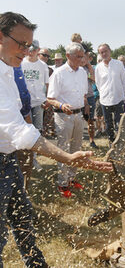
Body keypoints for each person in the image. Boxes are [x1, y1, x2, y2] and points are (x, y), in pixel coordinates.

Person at [0, 11, 113, 268]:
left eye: (29, 45)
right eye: (21, 44)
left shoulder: (8, 69)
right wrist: (66, 156)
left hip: (7, 160)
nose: (27, 51)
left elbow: (22, 119)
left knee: (23, 218)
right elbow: (19, 130)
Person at [47, 42, 91, 198]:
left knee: (76, 148)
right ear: (68, 55)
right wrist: (60, 104)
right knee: (64, 149)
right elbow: (50, 98)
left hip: (78, 115)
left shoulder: (82, 73)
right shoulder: (58, 74)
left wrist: (85, 105)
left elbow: (83, 94)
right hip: (63, 116)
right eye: (78, 56)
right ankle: (62, 183)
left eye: (82, 56)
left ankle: (72, 179)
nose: (81, 59)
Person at [95, 43, 125, 143]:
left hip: (118, 98)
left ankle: (120, 143)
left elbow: (124, 81)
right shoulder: (98, 67)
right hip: (105, 100)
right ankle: (111, 142)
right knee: (109, 124)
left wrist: (122, 94)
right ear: (99, 54)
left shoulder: (118, 64)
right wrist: (104, 93)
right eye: (101, 52)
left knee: (119, 123)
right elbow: (98, 83)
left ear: (110, 51)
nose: (104, 54)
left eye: (105, 51)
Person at [21, 39, 50, 132]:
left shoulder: (43, 65)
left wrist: (48, 99)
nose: (31, 52)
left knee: (38, 129)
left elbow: (47, 84)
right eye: (29, 49)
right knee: (27, 130)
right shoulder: (21, 63)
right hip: (24, 101)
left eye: (33, 50)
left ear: (38, 50)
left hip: (39, 102)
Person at [81, 46, 98, 148]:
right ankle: (78, 142)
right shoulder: (75, 67)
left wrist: (89, 66)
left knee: (90, 120)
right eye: (83, 57)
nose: (84, 59)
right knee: (78, 120)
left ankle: (92, 140)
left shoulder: (89, 68)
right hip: (79, 97)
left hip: (90, 96)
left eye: (86, 58)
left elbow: (94, 79)